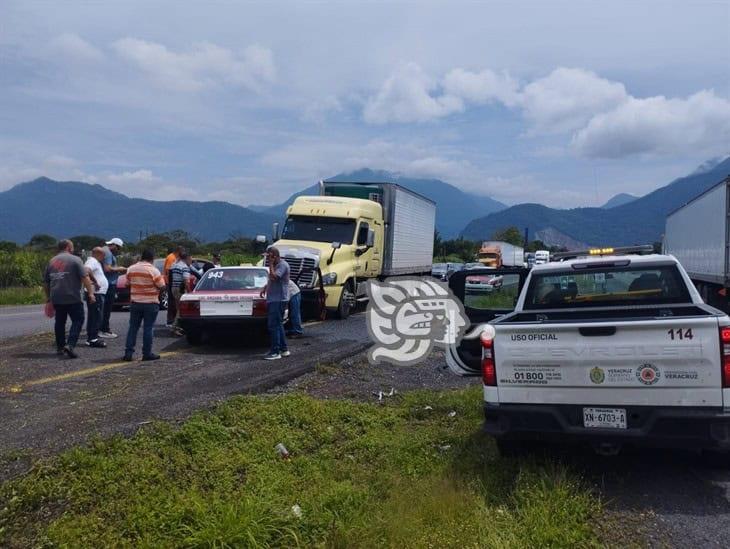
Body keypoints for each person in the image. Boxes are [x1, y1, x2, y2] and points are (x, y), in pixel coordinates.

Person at [43, 239, 95, 358]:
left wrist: (48, 298)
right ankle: (70, 345)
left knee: (60, 322)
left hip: (56, 297)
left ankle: (60, 347)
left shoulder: (51, 261)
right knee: (78, 320)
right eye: (72, 246)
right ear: (67, 247)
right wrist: (91, 293)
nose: (73, 248)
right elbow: (85, 278)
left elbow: (46, 283)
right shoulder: (75, 260)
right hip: (72, 297)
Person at [123, 248, 166, 361]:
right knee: (148, 328)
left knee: (133, 328)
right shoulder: (154, 270)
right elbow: (162, 286)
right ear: (152, 258)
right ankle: (146, 353)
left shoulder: (131, 269)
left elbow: (127, 284)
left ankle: (128, 353)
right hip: (150, 303)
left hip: (135, 302)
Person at [260, 246, 290, 360]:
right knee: (278, 324)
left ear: (275, 256)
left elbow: (275, 276)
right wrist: (265, 288)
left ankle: (275, 352)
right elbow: (271, 280)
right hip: (274, 298)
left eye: (269, 257)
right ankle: (283, 349)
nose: (267, 260)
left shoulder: (282, 265)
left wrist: (271, 264)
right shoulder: (277, 265)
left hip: (278, 299)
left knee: (273, 325)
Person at [100, 237, 127, 338]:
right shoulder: (107, 253)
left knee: (104, 308)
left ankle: (101, 328)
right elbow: (107, 268)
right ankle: (104, 329)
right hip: (109, 283)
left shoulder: (104, 251)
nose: (118, 251)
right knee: (106, 308)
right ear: (114, 245)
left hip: (107, 283)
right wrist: (119, 268)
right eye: (118, 248)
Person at [84, 247, 108, 348]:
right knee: (96, 316)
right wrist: (95, 281)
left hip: (98, 293)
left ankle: (92, 337)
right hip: (96, 293)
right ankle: (93, 338)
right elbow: (86, 270)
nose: (104, 257)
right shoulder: (92, 261)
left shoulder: (95, 262)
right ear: (98, 254)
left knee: (94, 315)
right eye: (103, 255)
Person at [169, 251, 193, 333]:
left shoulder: (174, 265)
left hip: (173, 288)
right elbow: (186, 281)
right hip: (180, 289)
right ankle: (174, 327)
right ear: (187, 258)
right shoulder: (185, 267)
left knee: (178, 308)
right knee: (181, 309)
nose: (191, 261)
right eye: (190, 259)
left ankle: (178, 326)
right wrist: (190, 293)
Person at [163, 246, 184, 328]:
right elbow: (169, 270)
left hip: (171, 282)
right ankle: (170, 321)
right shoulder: (171, 258)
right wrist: (171, 282)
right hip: (171, 282)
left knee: (173, 302)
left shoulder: (172, 257)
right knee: (172, 302)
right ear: (179, 252)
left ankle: (173, 320)